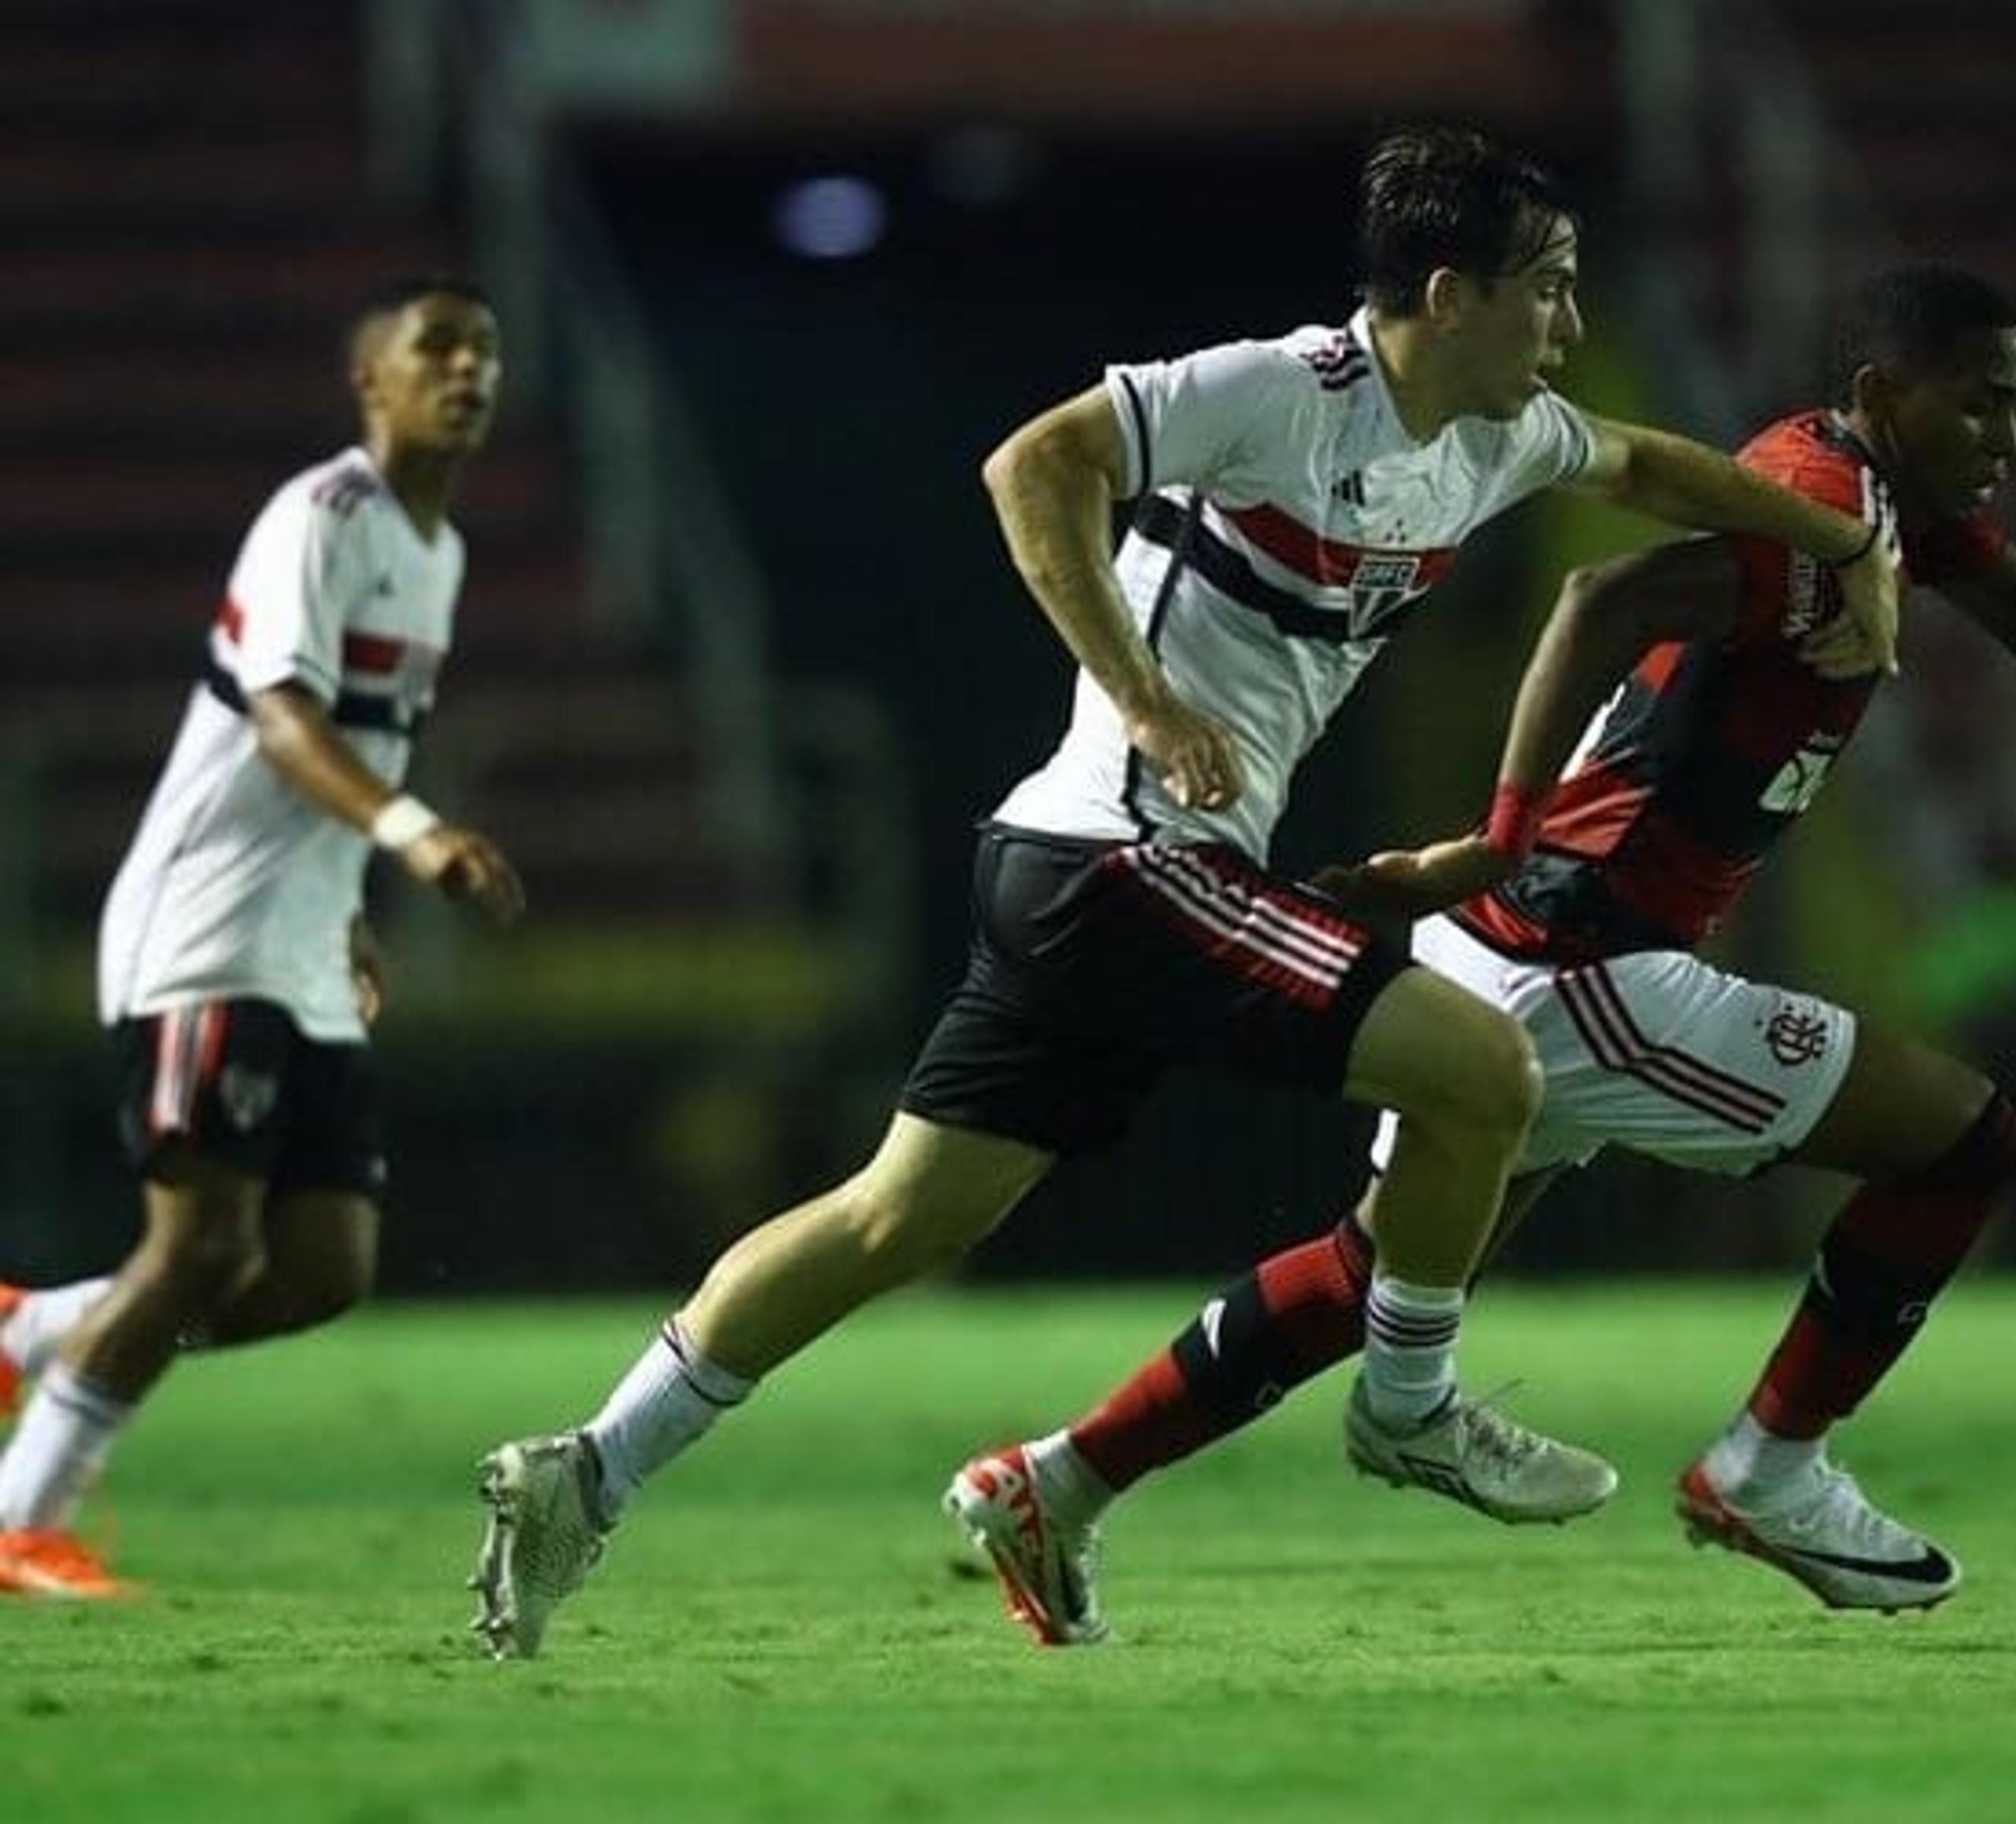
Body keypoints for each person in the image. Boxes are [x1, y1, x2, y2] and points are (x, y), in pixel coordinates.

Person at [467, 125, 1913, 1661]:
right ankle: (1411, 1404)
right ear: (1448, 290)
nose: (1566, 325)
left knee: (896, 1216)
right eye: (1546, 292)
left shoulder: (1501, 437)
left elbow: (1647, 464)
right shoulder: (1291, 389)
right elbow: (1035, 463)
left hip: (1074, 876)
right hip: (1126, 857)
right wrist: (1147, 698)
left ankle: (590, 1471)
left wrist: (1847, 539)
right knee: (1482, 1067)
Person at [943, 262, 2016, 1645]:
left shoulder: (1891, 510)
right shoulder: (1814, 509)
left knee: (1368, 1271)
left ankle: (1061, 1479)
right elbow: (1600, 601)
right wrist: (1499, 838)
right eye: (1981, 408)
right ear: (1880, 398)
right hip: (1587, 958)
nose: (2007, 440)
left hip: (1538, 953)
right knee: (1965, 1144)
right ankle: (1772, 1468)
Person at [0, 279, 522, 1599]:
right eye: (436, 351)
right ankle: (20, 1516)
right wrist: (411, 838)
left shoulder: (439, 552)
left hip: (298, 940)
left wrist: (343, 899)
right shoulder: (321, 515)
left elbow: (355, 736)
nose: (467, 371)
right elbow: (282, 719)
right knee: (203, 1249)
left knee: (319, 1268)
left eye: (485, 354)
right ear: (373, 382)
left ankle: (35, 1331)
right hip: (208, 927)